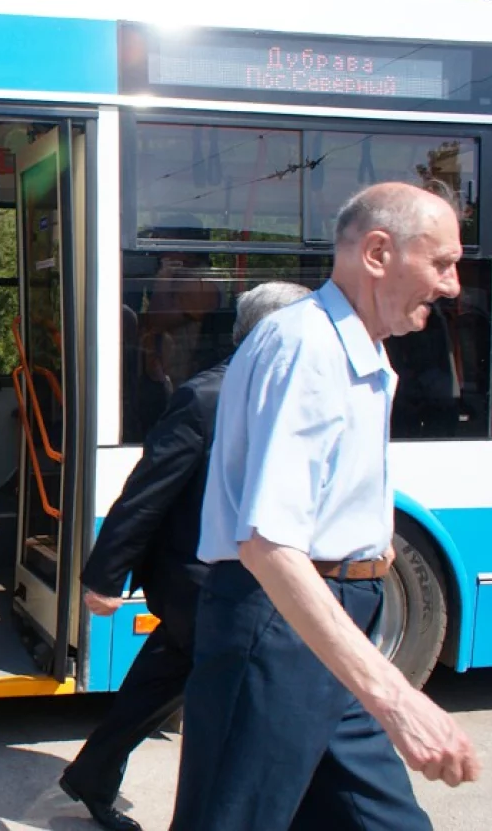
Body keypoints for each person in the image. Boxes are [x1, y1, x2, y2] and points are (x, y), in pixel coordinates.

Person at [169, 182, 480, 831]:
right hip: (280, 623)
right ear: (378, 253)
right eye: (442, 263)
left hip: (325, 622)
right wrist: (397, 699)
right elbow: (269, 545)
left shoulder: (354, 344)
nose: (453, 286)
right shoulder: (306, 346)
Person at [60, 281, 310, 831]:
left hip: (233, 578)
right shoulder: (207, 398)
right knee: (254, 705)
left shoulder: (285, 392)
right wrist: (106, 577)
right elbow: (146, 492)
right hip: (200, 580)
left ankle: (92, 774)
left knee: (162, 678)